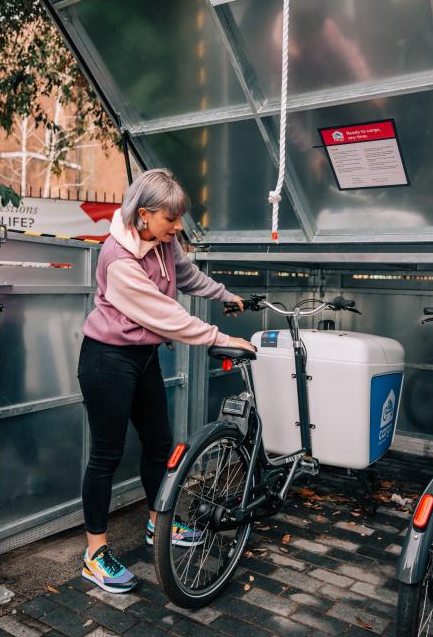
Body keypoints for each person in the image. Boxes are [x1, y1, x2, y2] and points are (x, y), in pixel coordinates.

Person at [77, 168, 254, 594]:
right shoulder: (118, 259)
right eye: (170, 220)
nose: (177, 228)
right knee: (106, 454)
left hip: (143, 358)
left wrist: (223, 294)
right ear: (143, 215)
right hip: (108, 360)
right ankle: (94, 554)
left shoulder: (163, 241)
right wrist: (220, 337)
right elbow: (165, 315)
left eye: (178, 220)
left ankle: (160, 524)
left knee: (159, 444)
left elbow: (186, 274)